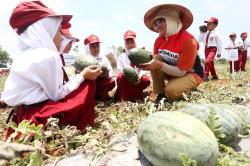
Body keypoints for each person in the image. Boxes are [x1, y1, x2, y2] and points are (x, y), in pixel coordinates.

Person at [1, 1, 102, 137]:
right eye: (59, 32)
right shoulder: (48, 56)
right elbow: (57, 95)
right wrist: (83, 75)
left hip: (20, 119)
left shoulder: (23, 56)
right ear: (46, 31)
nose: (61, 38)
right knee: (88, 85)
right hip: (39, 119)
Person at [141, 4, 203, 106]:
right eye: (155, 24)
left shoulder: (188, 41)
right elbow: (156, 61)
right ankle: (161, 94)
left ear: (172, 20)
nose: (157, 27)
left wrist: (159, 65)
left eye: (160, 21)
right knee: (155, 58)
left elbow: (182, 72)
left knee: (171, 91)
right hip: (173, 72)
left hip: (191, 73)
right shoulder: (158, 40)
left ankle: (190, 89)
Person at [115, 30, 151, 102]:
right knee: (120, 77)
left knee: (146, 80)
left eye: (132, 42)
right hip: (126, 79)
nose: (130, 45)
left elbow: (144, 68)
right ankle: (123, 99)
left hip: (138, 79)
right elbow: (120, 70)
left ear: (135, 43)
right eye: (127, 43)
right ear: (125, 44)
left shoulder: (141, 54)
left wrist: (139, 75)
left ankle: (138, 96)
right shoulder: (121, 57)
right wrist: (128, 75)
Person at [84, 34, 115, 101]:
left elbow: (110, 73)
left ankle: (102, 97)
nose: (96, 48)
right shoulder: (84, 60)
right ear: (88, 48)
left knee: (110, 82)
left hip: (101, 82)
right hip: (90, 82)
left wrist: (105, 74)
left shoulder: (103, 58)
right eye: (93, 46)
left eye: (97, 46)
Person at [198, 17, 222, 81]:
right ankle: (214, 76)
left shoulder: (216, 34)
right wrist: (202, 32)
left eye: (209, 24)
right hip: (206, 49)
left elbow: (219, 43)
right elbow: (199, 40)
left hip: (213, 49)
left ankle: (205, 75)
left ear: (215, 25)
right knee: (210, 63)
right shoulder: (205, 32)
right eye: (207, 24)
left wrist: (219, 52)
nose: (207, 25)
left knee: (208, 61)